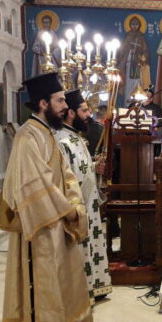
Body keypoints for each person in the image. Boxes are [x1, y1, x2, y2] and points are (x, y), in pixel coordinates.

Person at [0, 72, 93, 322]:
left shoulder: (46, 132)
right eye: (60, 100)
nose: (65, 106)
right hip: (42, 220)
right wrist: (66, 210)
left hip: (58, 215)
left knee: (64, 274)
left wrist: (75, 203)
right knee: (47, 277)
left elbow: (65, 174)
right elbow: (35, 183)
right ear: (43, 103)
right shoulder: (28, 136)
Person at [55, 90, 112, 303]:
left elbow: (81, 169)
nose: (89, 115)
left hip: (89, 205)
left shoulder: (76, 138)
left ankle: (96, 285)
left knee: (93, 245)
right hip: (77, 206)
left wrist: (95, 167)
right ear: (71, 113)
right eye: (84, 110)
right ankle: (82, 292)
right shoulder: (61, 141)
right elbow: (65, 176)